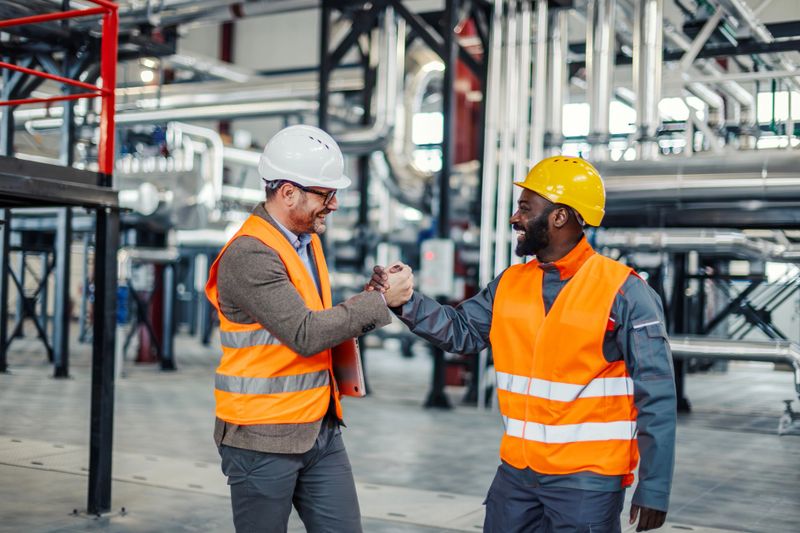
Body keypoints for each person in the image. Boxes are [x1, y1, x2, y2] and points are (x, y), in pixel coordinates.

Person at [370, 156, 676, 533]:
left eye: (525, 208)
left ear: (560, 217)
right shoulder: (511, 283)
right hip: (517, 473)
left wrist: (655, 487)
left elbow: (657, 394)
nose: (515, 218)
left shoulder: (626, 292)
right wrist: (405, 302)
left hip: (587, 481)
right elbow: (462, 330)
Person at [205, 124, 413, 533]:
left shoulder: (306, 241)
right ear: (287, 192)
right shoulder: (249, 254)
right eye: (325, 194)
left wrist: (368, 294)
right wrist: (377, 304)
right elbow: (304, 333)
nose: (333, 205)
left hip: (319, 427)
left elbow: (314, 316)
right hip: (261, 438)